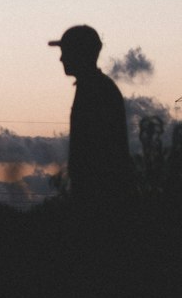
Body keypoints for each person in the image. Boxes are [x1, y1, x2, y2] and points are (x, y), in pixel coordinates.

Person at [49, 25, 133, 205]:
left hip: (100, 198)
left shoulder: (96, 91)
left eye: (66, 51)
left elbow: (97, 154)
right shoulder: (93, 87)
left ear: (80, 53)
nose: (61, 58)